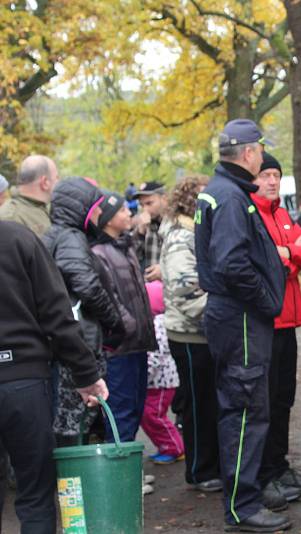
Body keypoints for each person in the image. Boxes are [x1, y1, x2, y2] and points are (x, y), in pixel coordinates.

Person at [194, 119, 288, 532]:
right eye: (260, 151)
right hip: (241, 318)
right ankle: (243, 505)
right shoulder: (230, 197)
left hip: (235, 317)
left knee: (241, 405)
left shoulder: (221, 191)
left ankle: (242, 500)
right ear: (249, 152)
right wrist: (267, 299)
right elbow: (232, 263)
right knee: (247, 408)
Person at [0, 220, 108, 533]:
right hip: (24, 382)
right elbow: (58, 313)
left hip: (24, 377)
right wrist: (87, 374)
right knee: (36, 494)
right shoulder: (18, 238)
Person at [251, 152, 301, 510]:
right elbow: (266, 263)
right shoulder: (252, 215)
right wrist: (287, 255)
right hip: (266, 324)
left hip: (288, 323)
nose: (272, 181)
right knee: (265, 401)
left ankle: (279, 466)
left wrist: (287, 253)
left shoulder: (280, 212)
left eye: (276, 174)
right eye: (265, 174)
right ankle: (264, 473)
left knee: (283, 399)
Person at [42, 177, 125, 446]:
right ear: (82, 208)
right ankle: (72, 480)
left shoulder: (57, 236)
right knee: (73, 420)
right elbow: (85, 283)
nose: (101, 213)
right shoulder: (70, 238)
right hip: (79, 340)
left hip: (67, 340)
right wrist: (114, 320)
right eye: (97, 207)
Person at [160, 174, 223, 492]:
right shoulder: (180, 238)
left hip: (206, 332)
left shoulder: (199, 230)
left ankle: (213, 464)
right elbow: (186, 290)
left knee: (211, 402)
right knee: (198, 406)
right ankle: (200, 470)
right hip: (190, 335)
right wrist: (222, 315)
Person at [91, 192, 157, 443]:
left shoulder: (124, 246)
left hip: (138, 344)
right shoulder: (98, 253)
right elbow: (109, 299)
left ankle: (131, 474)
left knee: (136, 408)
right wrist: (128, 326)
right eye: (121, 210)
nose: (128, 213)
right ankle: (121, 479)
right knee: (121, 412)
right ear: (107, 219)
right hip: (120, 348)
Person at [140, 280, 185, 464]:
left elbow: (154, 355)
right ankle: (166, 445)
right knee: (148, 414)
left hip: (161, 381)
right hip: (157, 381)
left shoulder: (158, 324)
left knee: (153, 415)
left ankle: (175, 447)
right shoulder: (155, 322)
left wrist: (144, 374)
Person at [0, 155, 59, 236]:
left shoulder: (39, 208)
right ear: (45, 182)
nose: (58, 182)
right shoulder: (10, 218)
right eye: (56, 178)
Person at [133, 181, 168, 282]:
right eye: (142, 205)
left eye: (149, 203)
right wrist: (140, 233)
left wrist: (164, 269)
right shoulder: (143, 224)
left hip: (172, 289)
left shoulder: (176, 223)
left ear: (164, 199)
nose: (145, 209)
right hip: (150, 288)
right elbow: (132, 258)